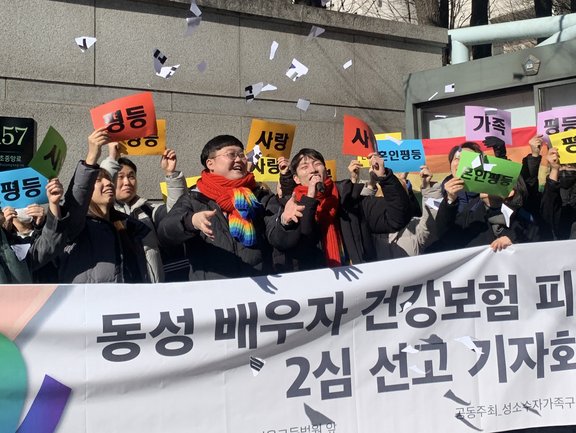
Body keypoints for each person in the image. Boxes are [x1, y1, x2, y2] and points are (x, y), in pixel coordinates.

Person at [157, 135, 296, 280]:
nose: (239, 160)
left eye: (241, 155)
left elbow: (279, 239)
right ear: (210, 163)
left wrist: (284, 222)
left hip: (258, 290)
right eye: (231, 154)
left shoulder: (261, 196)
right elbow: (165, 233)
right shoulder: (194, 198)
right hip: (214, 293)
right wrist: (190, 221)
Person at [38, 127, 151, 283]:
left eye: (109, 179)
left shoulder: (125, 226)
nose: (108, 183)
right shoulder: (77, 224)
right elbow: (78, 197)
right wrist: (92, 157)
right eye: (98, 180)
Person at [273, 148, 413, 272]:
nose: (313, 169)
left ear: (325, 170)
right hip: (314, 292)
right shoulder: (290, 206)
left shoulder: (350, 197)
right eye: (304, 167)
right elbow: (290, 242)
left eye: (317, 164)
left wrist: (385, 178)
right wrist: (308, 200)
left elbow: (397, 218)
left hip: (356, 287)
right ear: (296, 179)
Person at [101, 145, 188, 282]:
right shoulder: (102, 213)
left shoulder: (149, 209)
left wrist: (171, 174)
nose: (127, 182)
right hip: (119, 294)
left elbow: (176, 213)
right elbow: (98, 183)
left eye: (131, 177)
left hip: (154, 292)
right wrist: (112, 158)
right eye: (120, 177)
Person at [540, 146, 576, 239]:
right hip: (557, 246)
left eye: (571, 166)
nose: (566, 169)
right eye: (562, 165)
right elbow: (547, 212)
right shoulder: (551, 189)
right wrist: (555, 169)